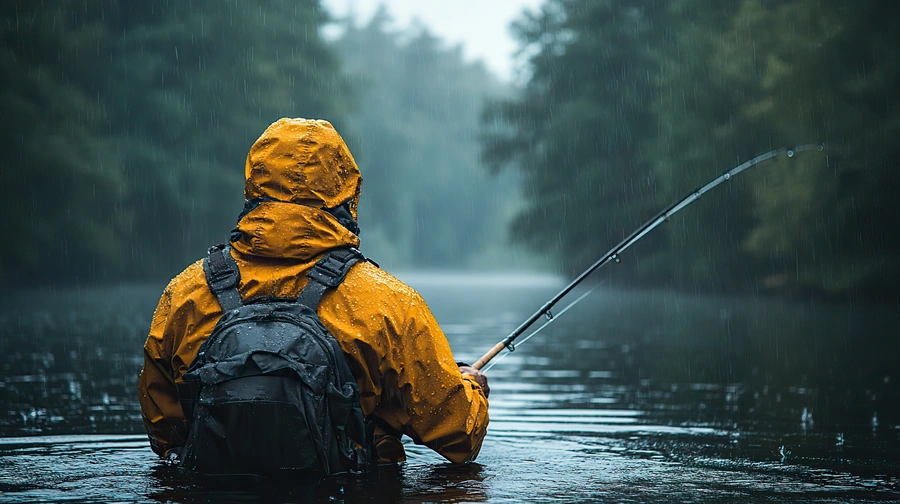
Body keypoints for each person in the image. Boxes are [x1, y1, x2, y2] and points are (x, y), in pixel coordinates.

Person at [138, 118, 489, 470]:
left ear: (254, 184)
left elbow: (164, 432)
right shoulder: (390, 303)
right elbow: (459, 436)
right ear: (346, 193)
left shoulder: (185, 292)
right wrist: (471, 390)